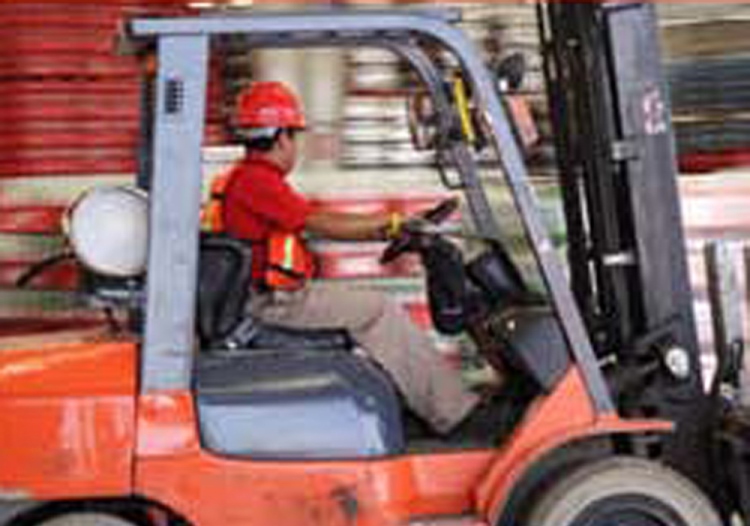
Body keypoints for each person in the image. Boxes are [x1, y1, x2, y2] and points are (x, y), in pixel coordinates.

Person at [219, 81, 500, 437]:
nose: (296, 146)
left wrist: (390, 228)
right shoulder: (256, 181)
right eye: (294, 136)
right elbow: (322, 222)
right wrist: (391, 224)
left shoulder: (249, 179)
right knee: (378, 309)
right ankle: (455, 414)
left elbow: (317, 221)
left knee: (367, 303)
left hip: (272, 296)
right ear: (281, 137)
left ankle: (422, 403)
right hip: (272, 303)